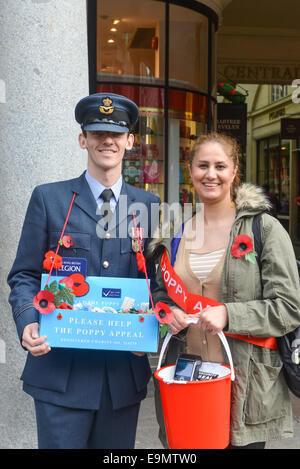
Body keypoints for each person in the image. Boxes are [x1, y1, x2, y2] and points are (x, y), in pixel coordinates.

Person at [7, 92, 160, 449]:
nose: (107, 140)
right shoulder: (50, 198)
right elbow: (24, 274)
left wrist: (153, 330)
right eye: (96, 132)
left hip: (120, 378)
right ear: (83, 139)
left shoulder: (148, 205)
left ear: (130, 142)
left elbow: (157, 284)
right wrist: (28, 319)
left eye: (117, 134)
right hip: (60, 375)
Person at [149, 132, 300, 449]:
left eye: (220, 165)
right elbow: (161, 295)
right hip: (186, 381)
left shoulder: (265, 229)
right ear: (191, 172)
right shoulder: (174, 231)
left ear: (234, 172)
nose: (211, 174)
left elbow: (288, 307)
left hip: (243, 388)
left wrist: (229, 313)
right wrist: (168, 314)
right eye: (202, 165)